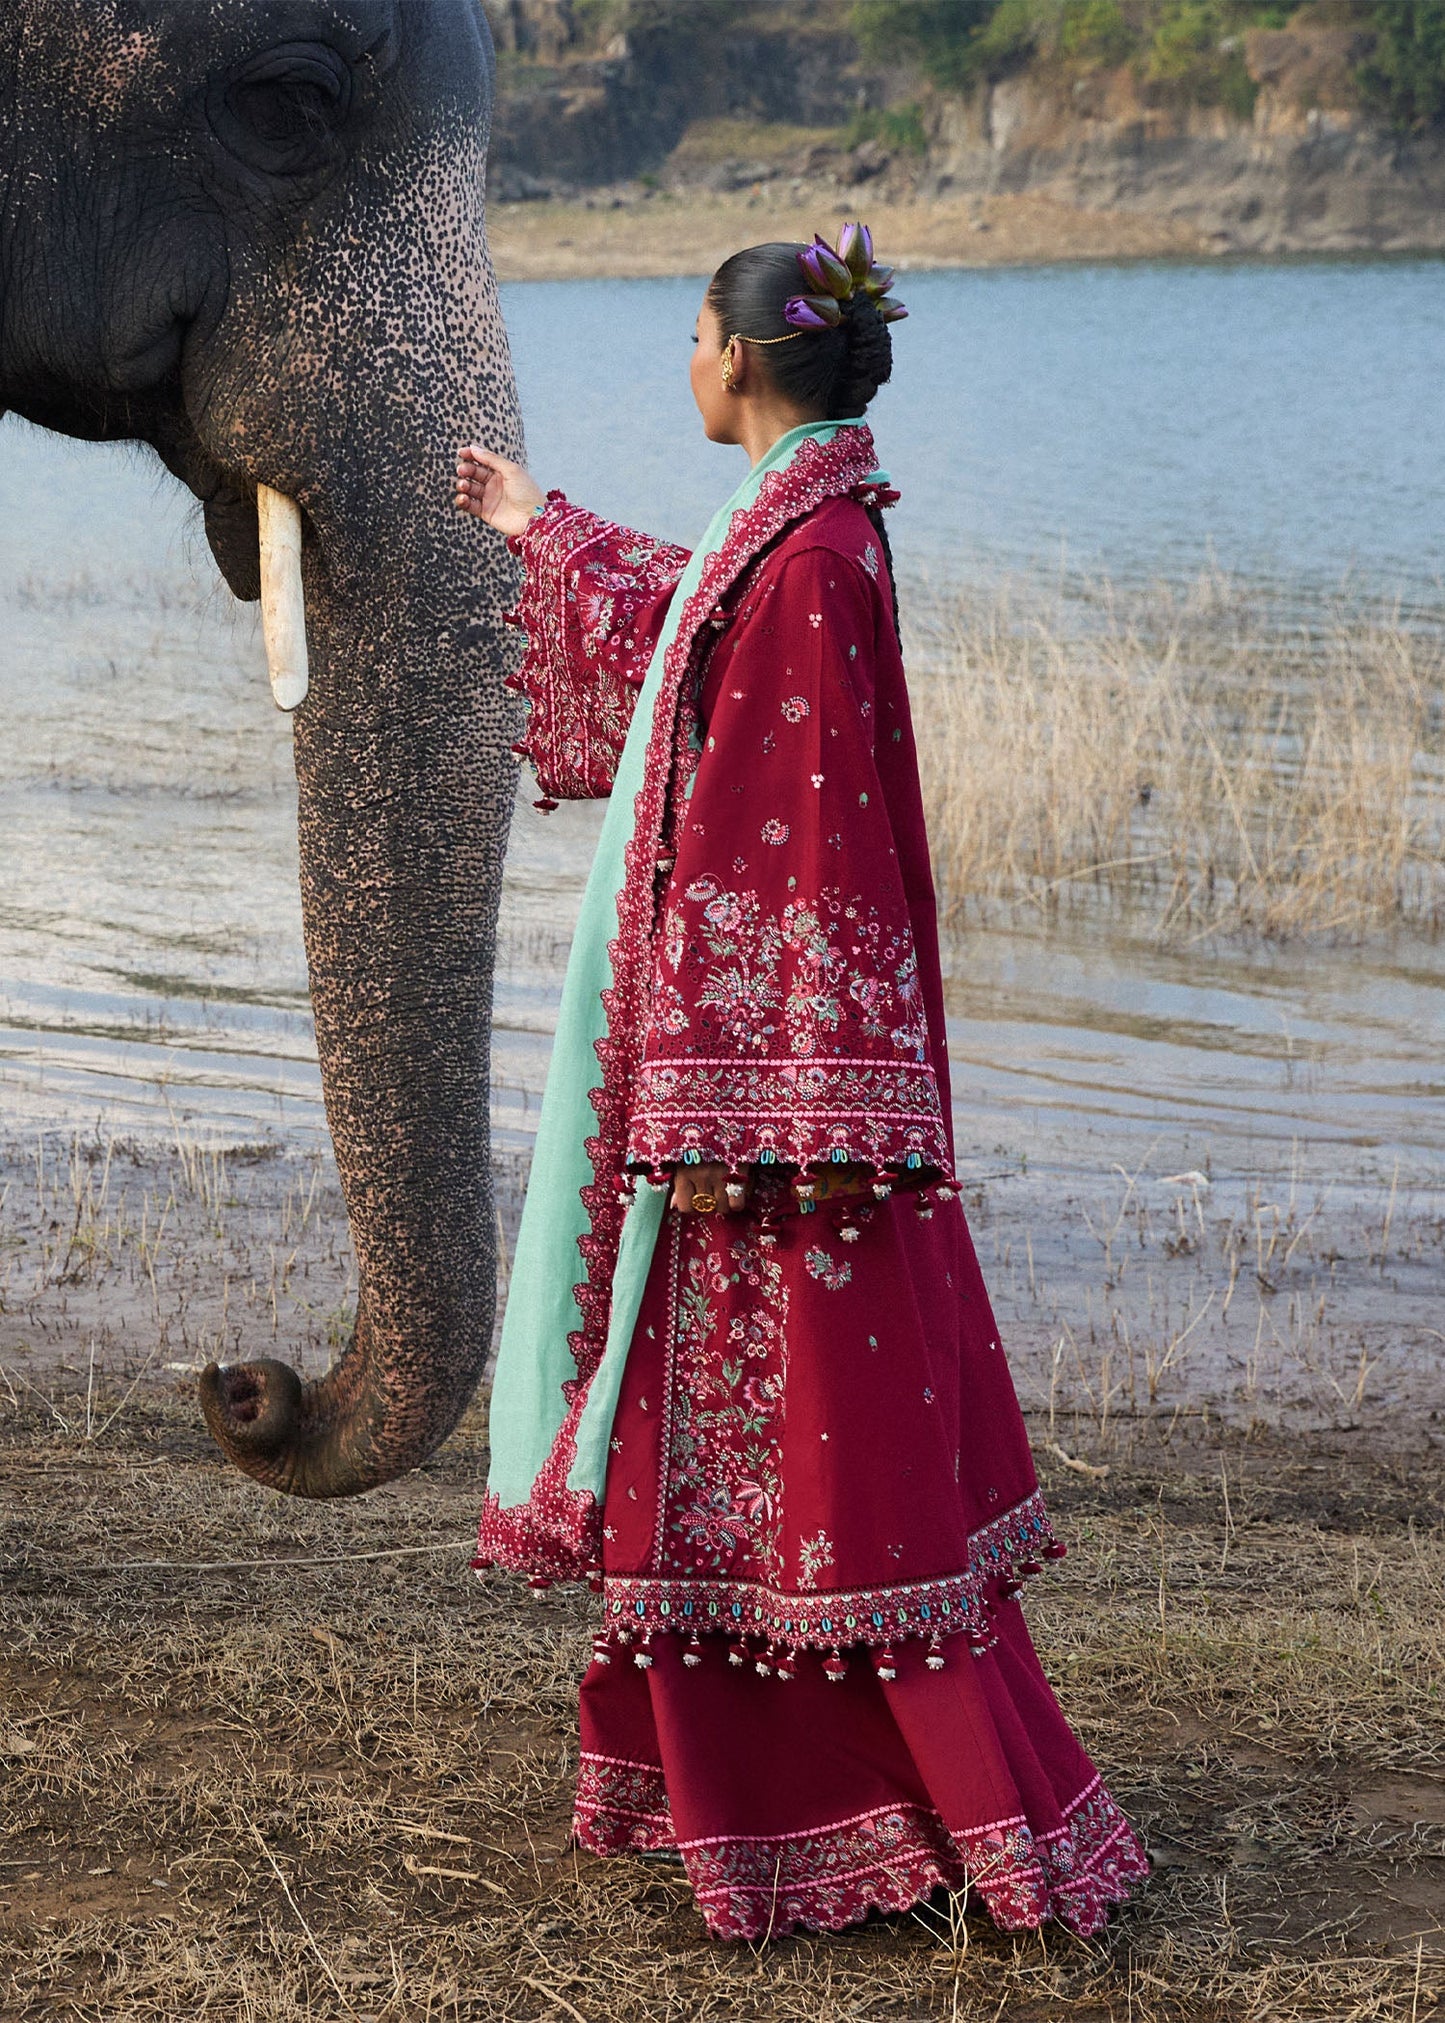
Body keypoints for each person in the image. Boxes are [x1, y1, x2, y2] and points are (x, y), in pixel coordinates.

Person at [455, 227, 1149, 1944]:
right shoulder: (795, 527)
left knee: (818, 1461)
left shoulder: (821, 552)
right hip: (742, 1102)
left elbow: (807, 844)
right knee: (745, 1455)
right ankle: (763, 1797)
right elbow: (692, 645)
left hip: (769, 1125)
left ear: (744, 359)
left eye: (691, 336)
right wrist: (537, 527)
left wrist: (751, 1118)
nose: (682, 361)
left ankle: (881, 1804)